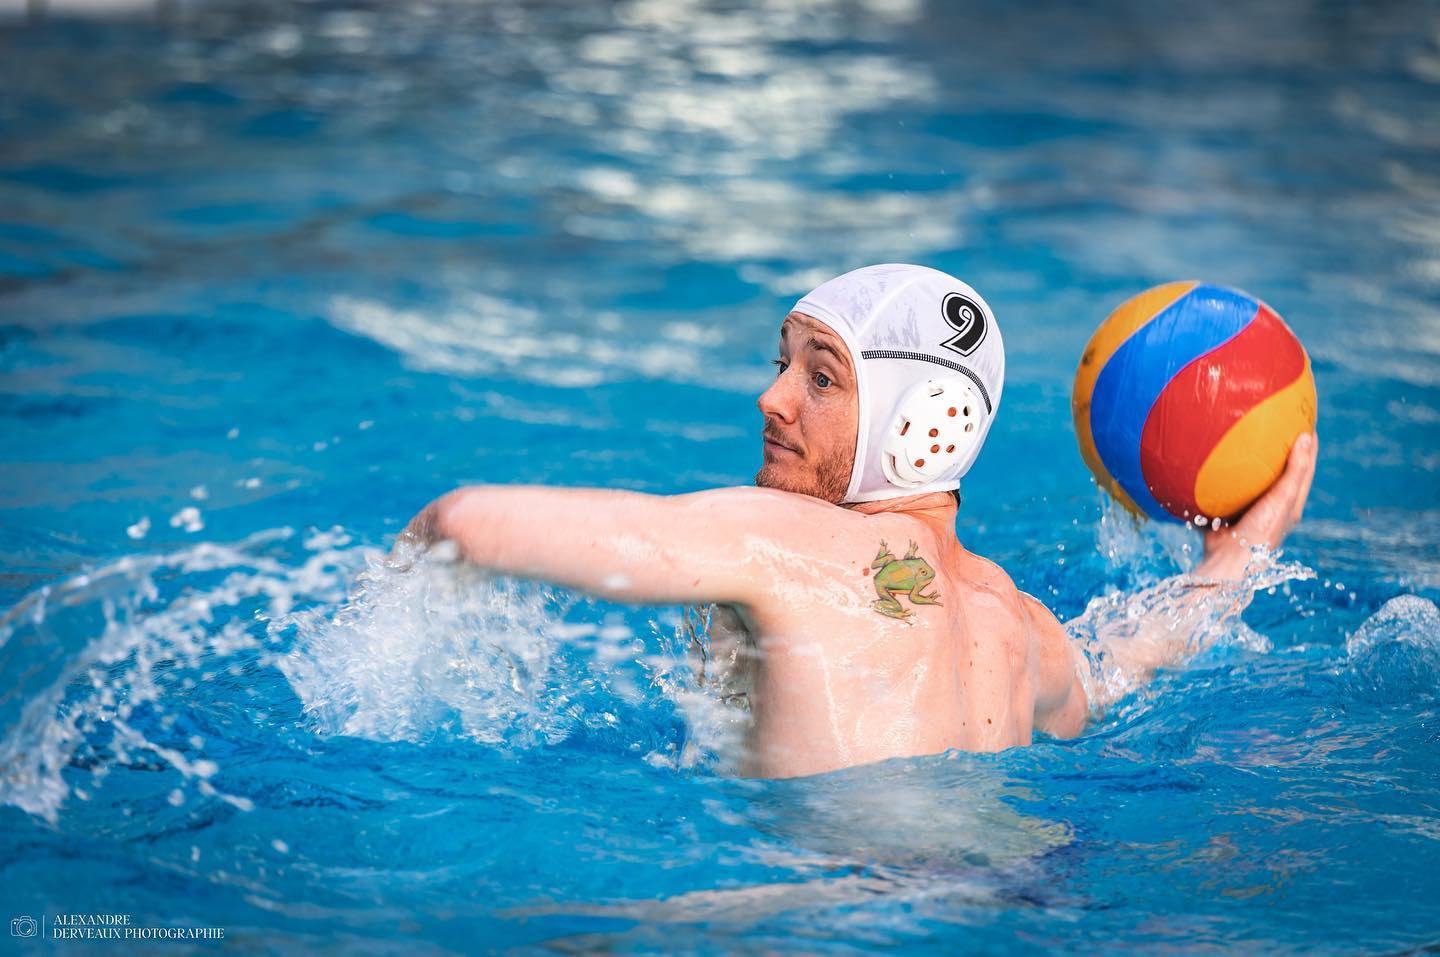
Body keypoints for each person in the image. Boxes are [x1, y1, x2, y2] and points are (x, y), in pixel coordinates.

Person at [398, 264, 1317, 779]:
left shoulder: (785, 542)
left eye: (821, 376)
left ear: (922, 423)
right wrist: (1247, 548)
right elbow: (1133, 658)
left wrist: (408, 573)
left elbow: (473, 523)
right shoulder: (1017, 623)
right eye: (782, 362)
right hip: (1021, 894)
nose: (772, 397)